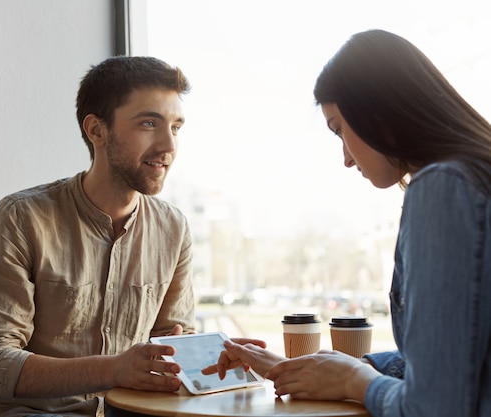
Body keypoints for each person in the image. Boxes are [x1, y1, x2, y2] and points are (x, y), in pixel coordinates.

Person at [203, 29, 491, 417]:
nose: (346, 159)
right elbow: (467, 362)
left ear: (378, 111)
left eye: (339, 130)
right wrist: (320, 369)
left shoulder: (441, 188)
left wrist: (353, 381)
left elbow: (434, 407)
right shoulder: (474, 177)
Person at [0, 56, 197, 417]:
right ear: (97, 130)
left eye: (176, 127)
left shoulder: (174, 228)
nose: (168, 145)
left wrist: (215, 359)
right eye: (149, 123)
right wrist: (114, 368)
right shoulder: (21, 218)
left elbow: (174, 341)